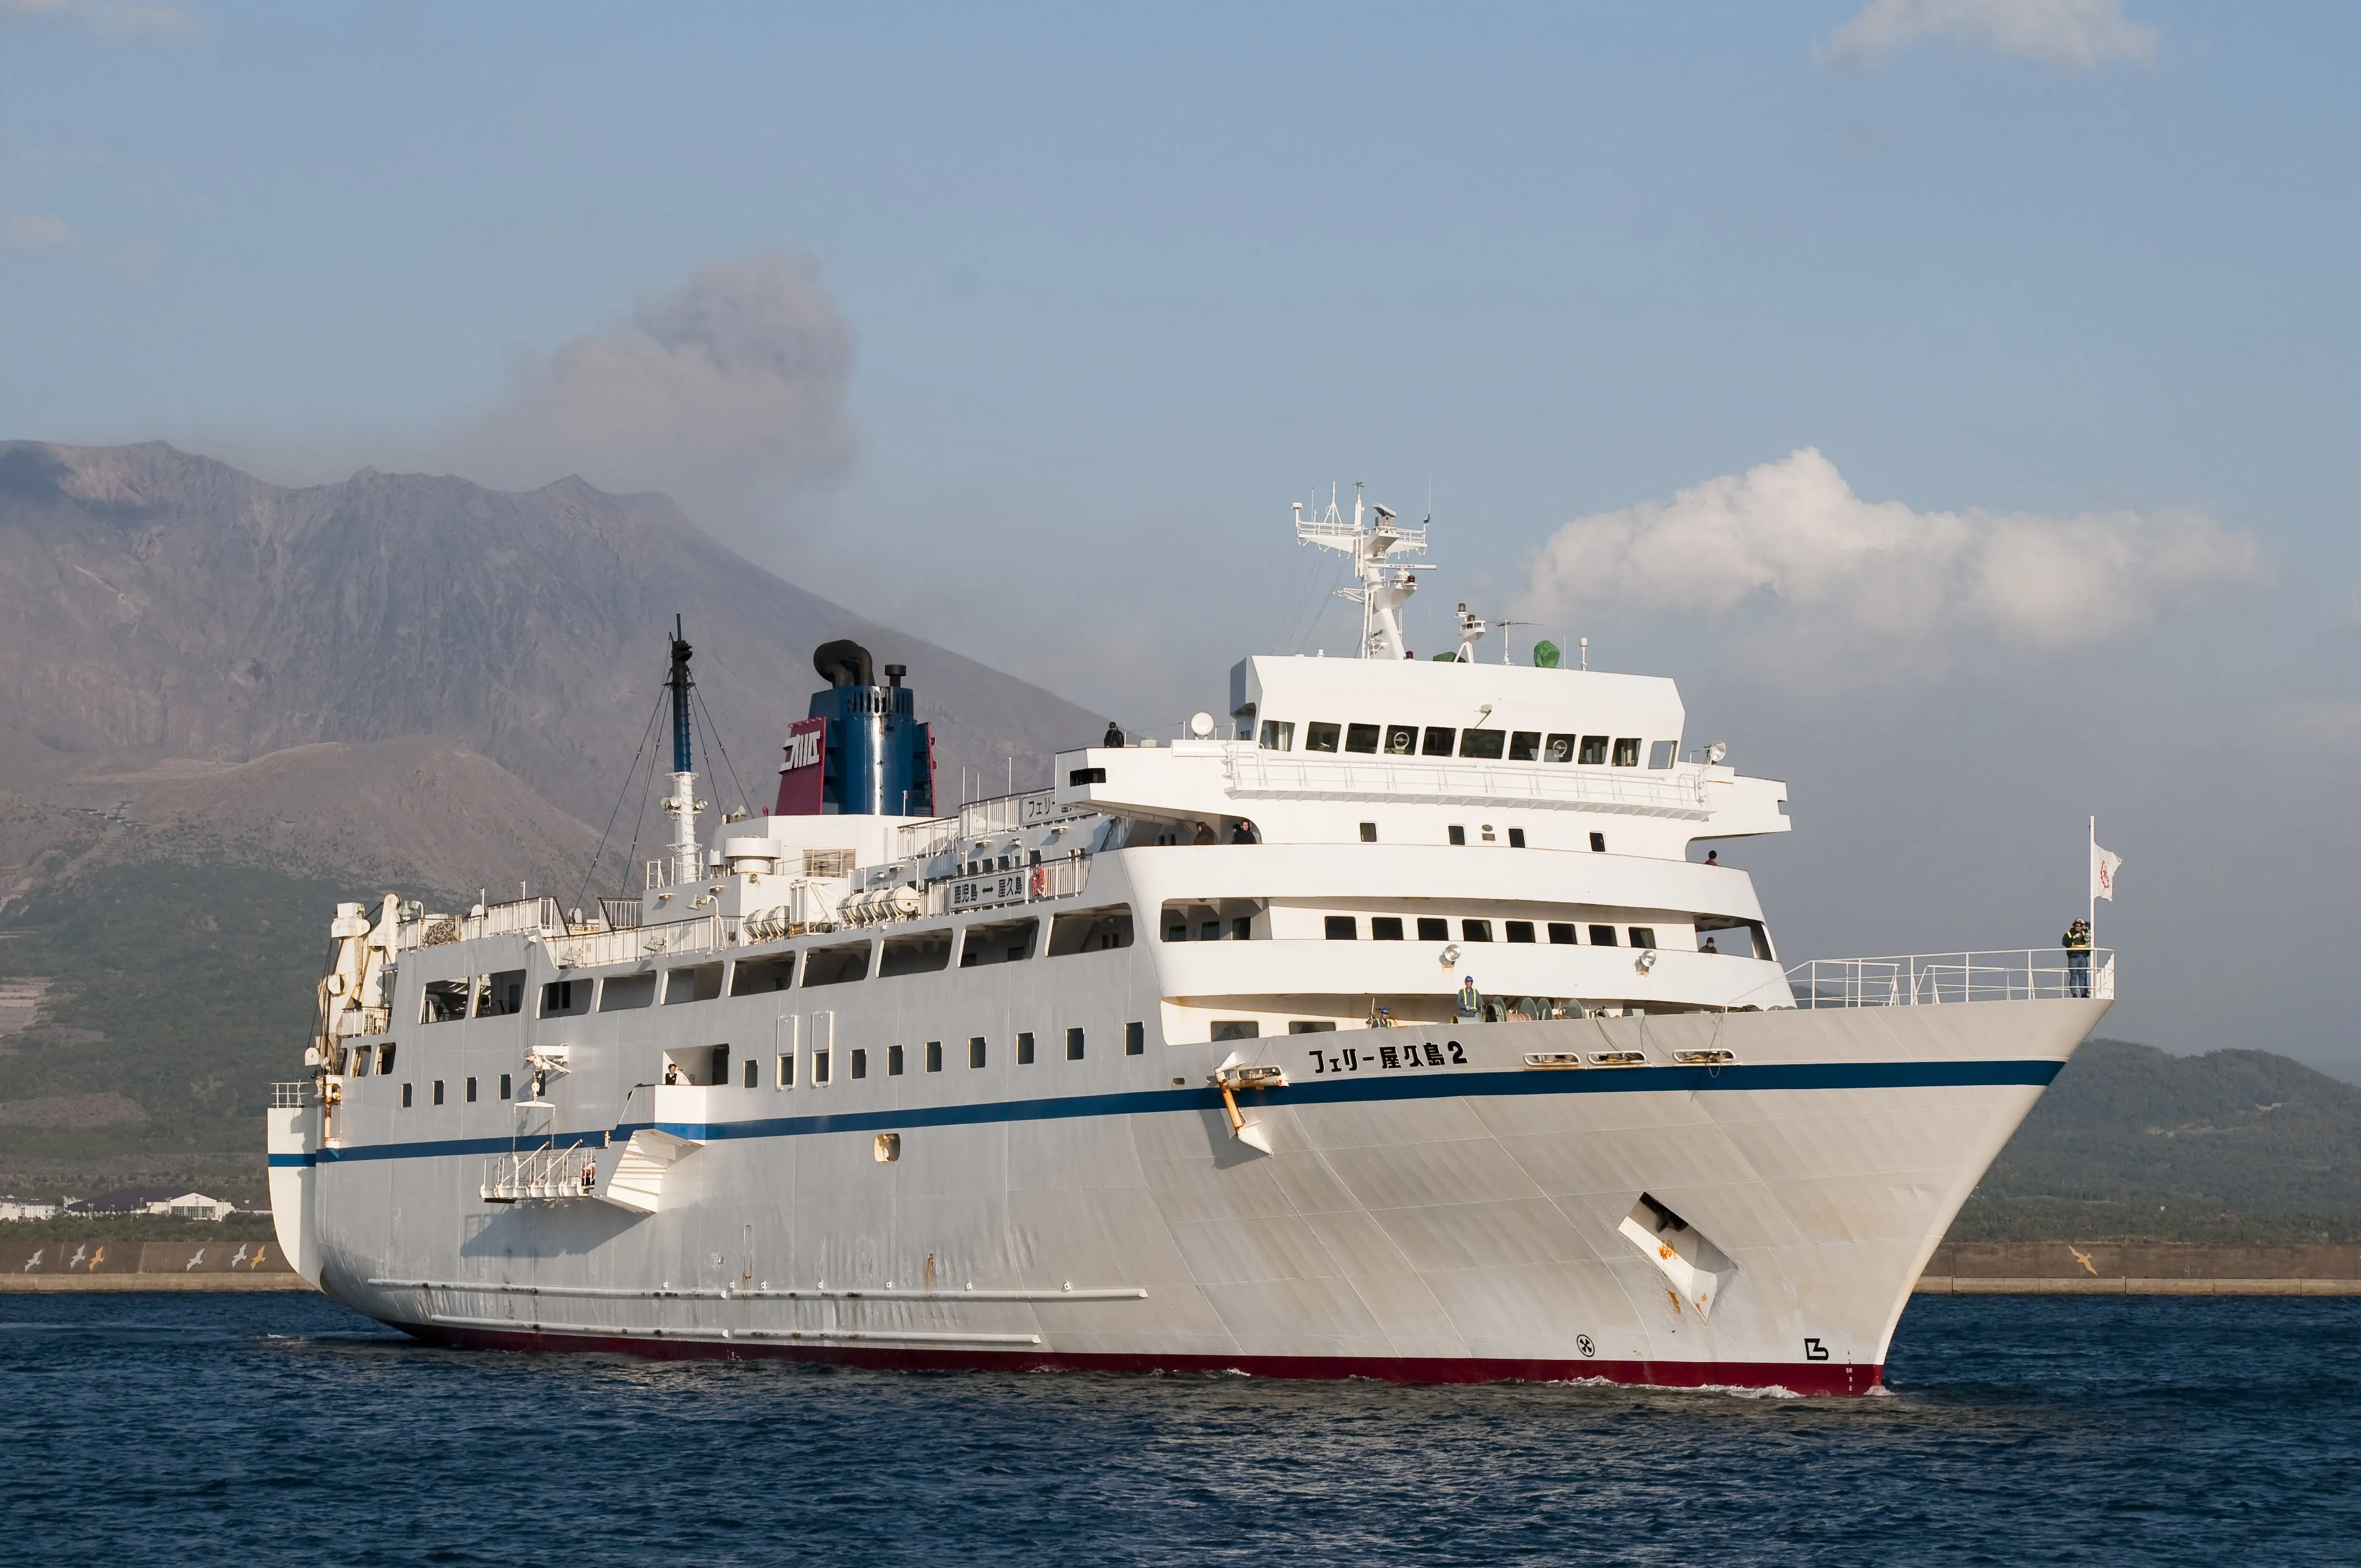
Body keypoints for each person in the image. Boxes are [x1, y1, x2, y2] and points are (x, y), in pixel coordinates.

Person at [2064, 918, 2092, 998]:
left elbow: (2092, 927)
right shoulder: (2069, 934)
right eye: (2077, 926)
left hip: (2083, 957)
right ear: (2074, 926)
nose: (2079, 927)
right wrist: (2074, 937)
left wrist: (2085, 922)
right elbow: (2065, 943)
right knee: (2074, 975)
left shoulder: (2085, 933)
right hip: (2073, 957)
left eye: (2080, 926)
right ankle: (2074, 994)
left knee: (2083, 975)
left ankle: (2084, 993)